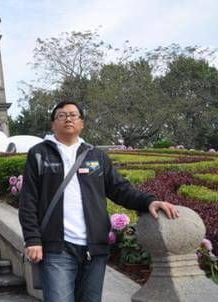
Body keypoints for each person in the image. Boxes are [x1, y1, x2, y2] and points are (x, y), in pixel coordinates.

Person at [19, 101, 180, 302]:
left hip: (94, 249)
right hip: (57, 249)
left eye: (73, 115)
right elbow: (28, 200)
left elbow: (120, 189)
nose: (68, 118)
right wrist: (33, 240)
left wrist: (149, 202)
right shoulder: (39, 154)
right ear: (53, 124)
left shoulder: (95, 156)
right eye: (61, 115)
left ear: (82, 123)